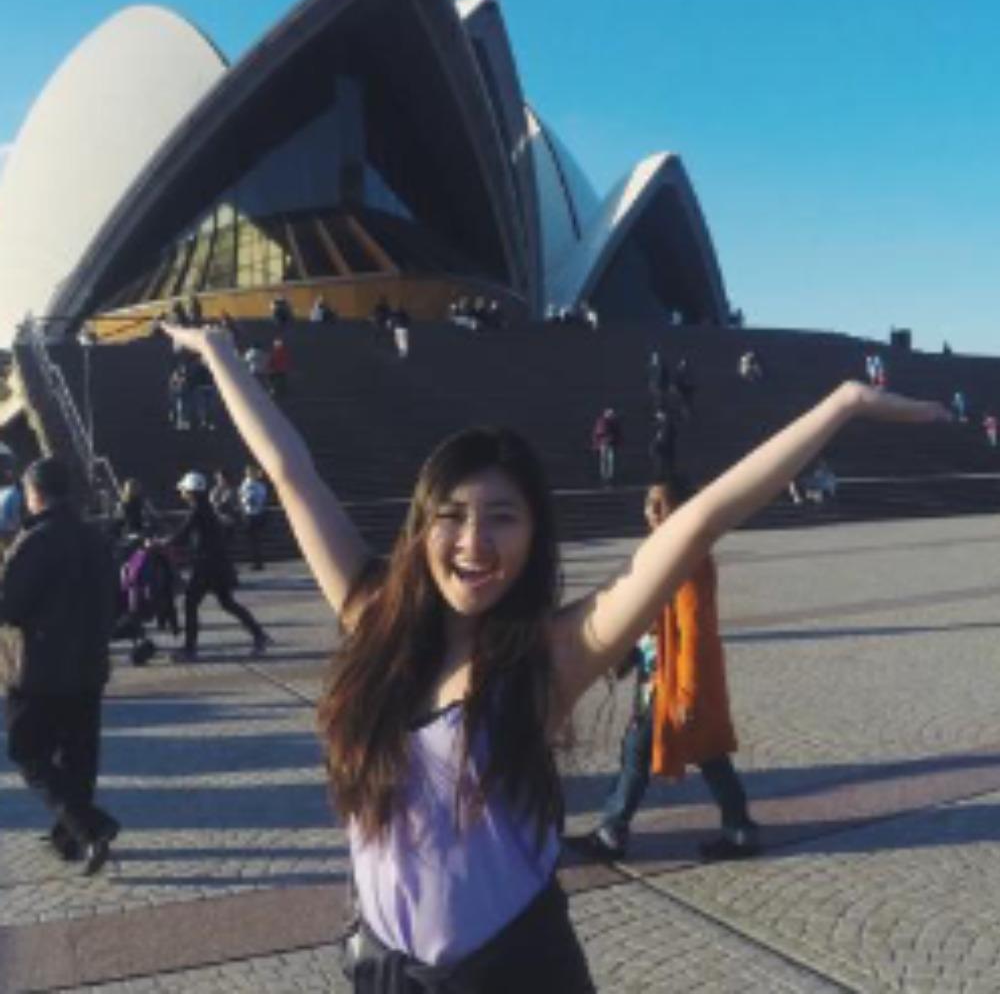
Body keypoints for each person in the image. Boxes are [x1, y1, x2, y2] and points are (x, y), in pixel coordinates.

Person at [160, 319, 946, 991]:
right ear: (421, 525)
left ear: (534, 536)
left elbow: (697, 524)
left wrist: (841, 406)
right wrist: (220, 353)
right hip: (385, 972)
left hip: (515, 975)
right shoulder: (374, 621)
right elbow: (290, 471)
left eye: (502, 518)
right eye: (454, 516)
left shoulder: (549, 659)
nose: (474, 543)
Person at [572, 479, 758, 863]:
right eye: (648, 503)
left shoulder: (687, 558)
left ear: (681, 509)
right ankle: (739, 829)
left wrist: (688, 692)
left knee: (640, 752)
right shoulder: (663, 551)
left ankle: (612, 831)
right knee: (708, 755)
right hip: (658, 673)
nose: (653, 512)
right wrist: (624, 657)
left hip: (672, 680)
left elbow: (694, 631)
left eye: (663, 504)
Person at [0, 457, 120, 875]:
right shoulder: (94, 537)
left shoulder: (35, 541)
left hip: (38, 669)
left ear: (33, 494)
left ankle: (90, 828)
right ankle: (70, 839)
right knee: (78, 755)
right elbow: (116, 602)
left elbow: (7, 606)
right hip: (89, 664)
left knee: (26, 750)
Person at [164, 472, 269, 662]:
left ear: (191, 492)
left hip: (206, 565)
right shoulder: (206, 508)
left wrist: (161, 543)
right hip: (219, 563)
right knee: (227, 602)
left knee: (190, 603)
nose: (181, 493)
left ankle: (190, 648)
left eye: (183, 490)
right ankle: (259, 635)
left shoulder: (197, 510)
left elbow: (183, 535)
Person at [239, 465, 269, 571]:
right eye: (247, 472)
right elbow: (244, 498)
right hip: (254, 514)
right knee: (254, 540)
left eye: (249, 472)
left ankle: (257, 562)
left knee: (254, 540)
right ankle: (257, 562)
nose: (248, 474)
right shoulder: (253, 484)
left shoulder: (252, 485)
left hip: (253, 514)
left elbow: (248, 499)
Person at [591, 408, 623, 486]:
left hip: (610, 444)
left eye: (612, 414)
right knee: (605, 461)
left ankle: (609, 477)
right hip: (604, 443)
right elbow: (599, 432)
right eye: (610, 414)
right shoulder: (602, 422)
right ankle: (604, 477)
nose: (612, 415)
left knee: (609, 461)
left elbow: (618, 433)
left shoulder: (614, 422)